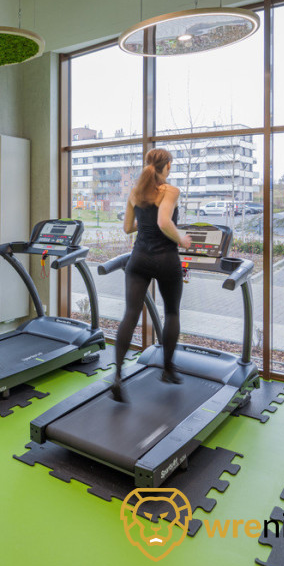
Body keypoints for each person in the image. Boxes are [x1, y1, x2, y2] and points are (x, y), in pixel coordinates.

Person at [111, 148, 193, 401]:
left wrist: (144, 222)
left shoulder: (135, 192)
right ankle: (168, 369)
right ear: (167, 166)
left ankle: (117, 376)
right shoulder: (170, 191)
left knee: (130, 314)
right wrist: (182, 239)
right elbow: (164, 222)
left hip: (139, 259)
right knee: (172, 313)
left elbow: (127, 228)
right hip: (166, 259)